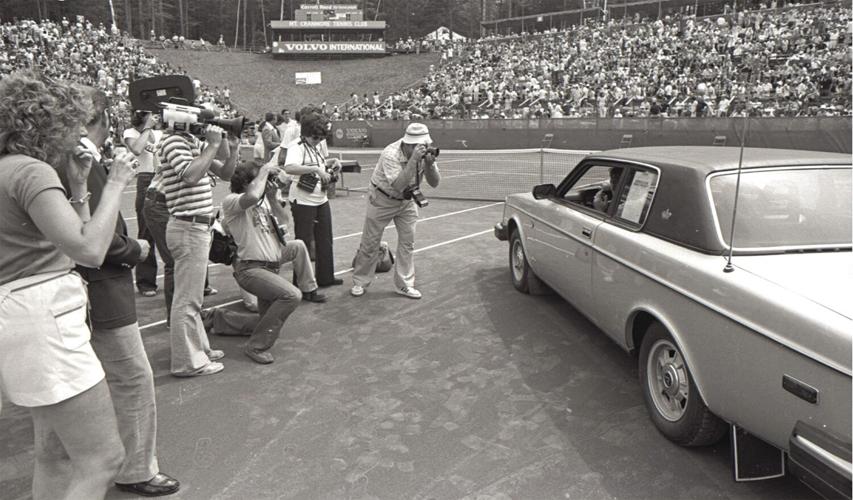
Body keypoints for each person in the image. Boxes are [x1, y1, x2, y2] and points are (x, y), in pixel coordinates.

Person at [0, 71, 134, 499]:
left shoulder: (9, 169)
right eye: (69, 122)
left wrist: (79, 187)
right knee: (103, 459)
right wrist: (115, 182)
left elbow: (66, 235)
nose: (78, 132)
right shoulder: (31, 171)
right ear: (44, 123)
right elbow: (89, 250)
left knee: (54, 454)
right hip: (45, 319)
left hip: (20, 315)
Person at [70, 87, 180, 497]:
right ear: (99, 118)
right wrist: (137, 249)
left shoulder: (76, 159)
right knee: (132, 378)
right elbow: (97, 237)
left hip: (92, 285)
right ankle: (135, 468)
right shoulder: (82, 161)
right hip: (103, 287)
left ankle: (110, 461)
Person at [222, 162, 327, 364]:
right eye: (258, 179)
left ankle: (218, 319)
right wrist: (264, 170)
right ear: (246, 183)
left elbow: (285, 222)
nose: (265, 181)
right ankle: (255, 346)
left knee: (296, 245)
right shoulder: (232, 201)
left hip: (271, 263)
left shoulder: (263, 201)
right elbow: (251, 196)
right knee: (290, 295)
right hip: (251, 268)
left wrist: (271, 197)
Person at [160, 111, 239, 377]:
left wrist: (233, 146)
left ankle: (199, 350)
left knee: (193, 298)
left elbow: (227, 173)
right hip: (187, 226)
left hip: (198, 226)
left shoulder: (191, 141)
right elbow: (191, 176)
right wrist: (214, 145)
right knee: (187, 299)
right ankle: (187, 362)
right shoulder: (172, 141)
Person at [350, 123, 440, 299]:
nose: (420, 149)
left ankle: (405, 284)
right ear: (406, 144)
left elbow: (435, 182)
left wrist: (429, 166)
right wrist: (414, 159)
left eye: (422, 145)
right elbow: (398, 185)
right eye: (415, 146)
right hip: (382, 199)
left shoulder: (425, 151)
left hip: (407, 202)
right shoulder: (390, 154)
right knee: (370, 242)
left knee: (408, 243)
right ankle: (360, 281)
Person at [283, 112, 343, 287]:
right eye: (315, 137)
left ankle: (326, 277)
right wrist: (316, 170)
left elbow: (318, 162)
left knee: (325, 239)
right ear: (306, 133)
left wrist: (332, 162)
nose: (318, 140)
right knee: (304, 243)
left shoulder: (315, 145)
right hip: (303, 201)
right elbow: (289, 167)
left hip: (320, 199)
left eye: (321, 137)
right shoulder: (297, 146)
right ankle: (303, 284)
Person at [123, 110, 161, 297]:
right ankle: (146, 282)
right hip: (146, 179)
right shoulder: (131, 133)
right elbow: (137, 150)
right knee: (147, 231)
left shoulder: (161, 134)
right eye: (150, 115)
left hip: (164, 178)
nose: (155, 118)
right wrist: (147, 129)